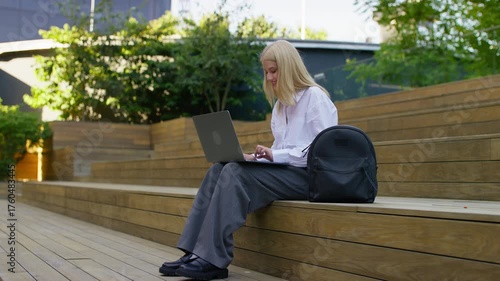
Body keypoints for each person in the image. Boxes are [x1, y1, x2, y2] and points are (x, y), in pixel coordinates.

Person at [159, 39, 338, 280]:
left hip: (311, 178)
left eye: (274, 71)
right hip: (288, 173)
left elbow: (322, 150)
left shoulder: (315, 97)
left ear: (289, 67)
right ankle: (194, 251)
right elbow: (281, 149)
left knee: (234, 173)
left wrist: (276, 155)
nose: (270, 77)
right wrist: (255, 159)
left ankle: (213, 259)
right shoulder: (280, 107)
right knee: (220, 168)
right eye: (266, 72)